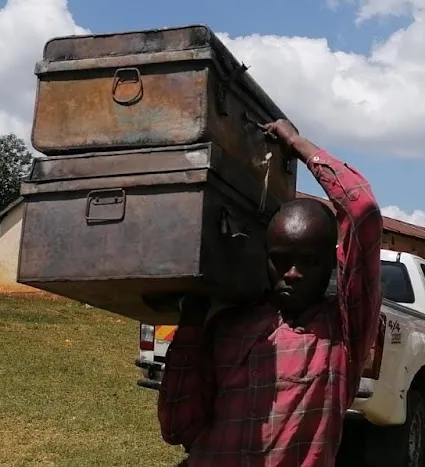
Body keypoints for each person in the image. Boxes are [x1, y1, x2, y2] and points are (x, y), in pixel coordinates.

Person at [158, 120, 383, 467]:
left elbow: (362, 212)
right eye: (280, 260)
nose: (292, 274)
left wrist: (297, 145)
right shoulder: (228, 326)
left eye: (308, 262)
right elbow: (178, 429)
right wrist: (191, 322)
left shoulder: (342, 331)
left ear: (331, 265)